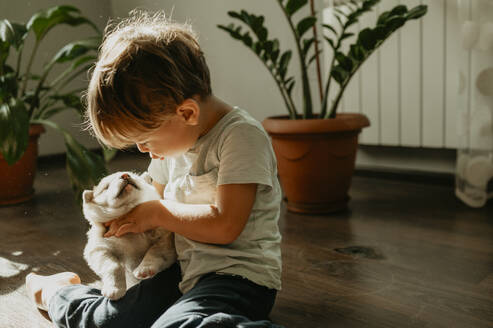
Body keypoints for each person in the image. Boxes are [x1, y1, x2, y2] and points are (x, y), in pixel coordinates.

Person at [25, 10, 284, 328]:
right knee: (110, 321)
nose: (144, 151)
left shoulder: (241, 136)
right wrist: (124, 221)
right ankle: (55, 292)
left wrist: (156, 213)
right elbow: (152, 203)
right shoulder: (173, 146)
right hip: (183, 270)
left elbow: (225, 225)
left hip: (237, 276)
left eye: (145, 140)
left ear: (187, 112)